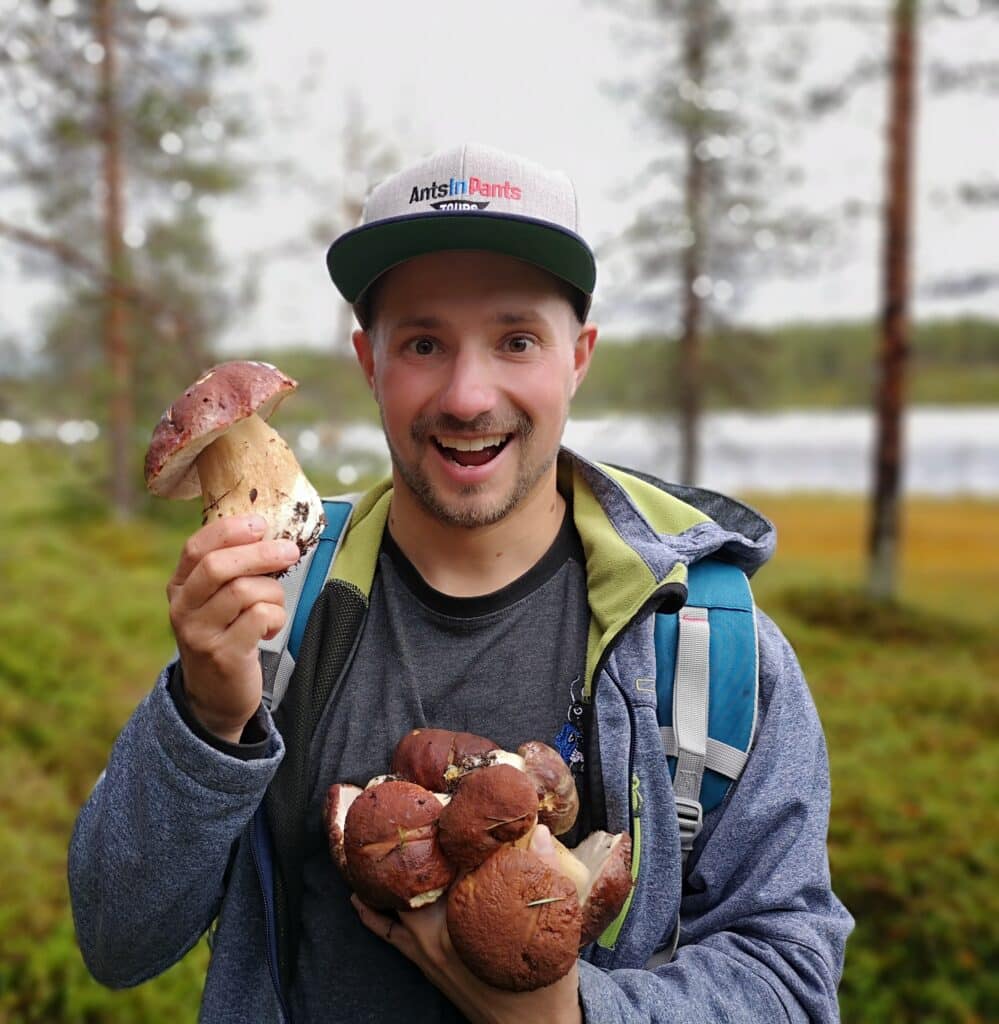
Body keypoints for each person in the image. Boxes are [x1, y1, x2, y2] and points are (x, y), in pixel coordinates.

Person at [69, 143, 853, 1023]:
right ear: (370, 363)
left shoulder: (706, 645)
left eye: (516, 339)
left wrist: (573, 1016)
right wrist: (206, 718)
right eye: (423, 343)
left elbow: (791, 980)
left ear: (578, 356)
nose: (468, 395)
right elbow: (116, 939)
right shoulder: (277, 606)